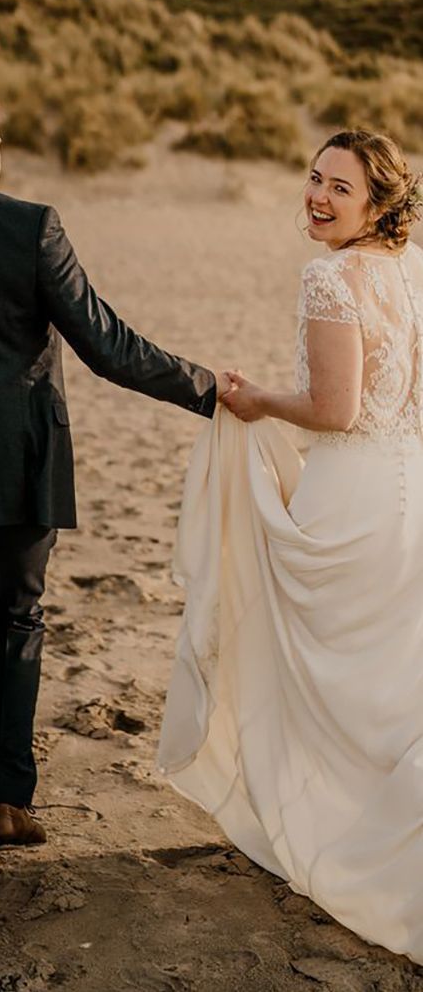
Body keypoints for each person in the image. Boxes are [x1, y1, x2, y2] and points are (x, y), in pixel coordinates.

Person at [0, 81, 232, 942]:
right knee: (18, 626)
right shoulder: (30, 224)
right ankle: (9, 801)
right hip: (17, 479)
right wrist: (211, 389)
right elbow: (106, 343)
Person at [158, 129, 423, 964]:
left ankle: (342, 832)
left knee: (330, 668)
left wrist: (257, 401)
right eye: (314, 177)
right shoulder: (411, 272)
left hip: (351, 493)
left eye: (339, 188)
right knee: (388, 673)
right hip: (409, 491)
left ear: (376, 205)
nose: (317, 195)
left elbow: (335, 411)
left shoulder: (330, 278)